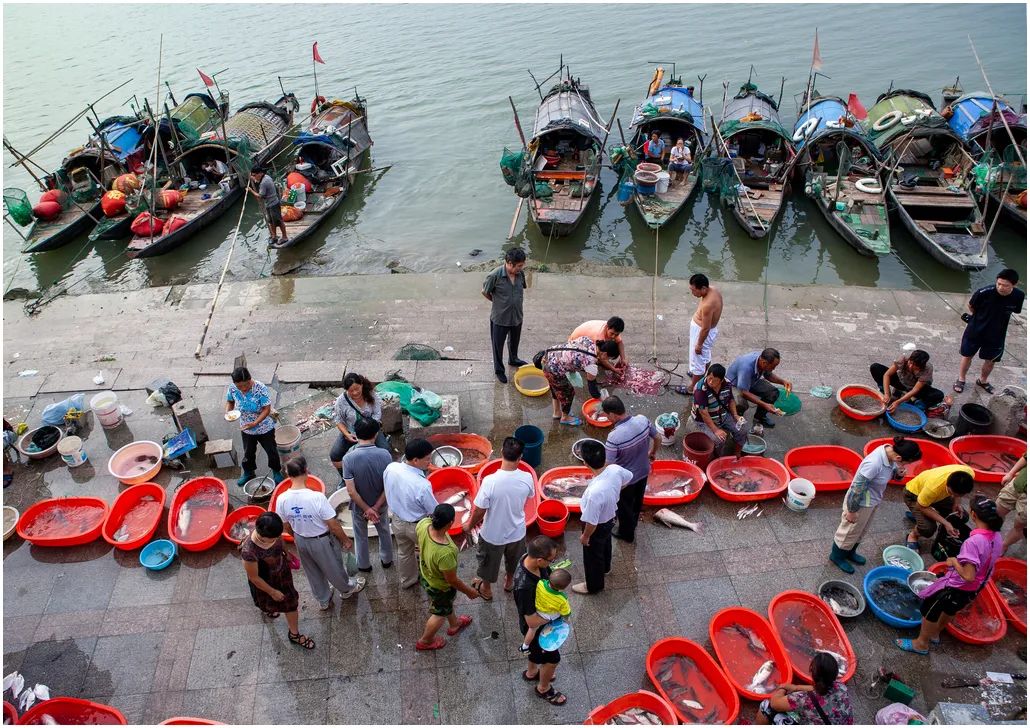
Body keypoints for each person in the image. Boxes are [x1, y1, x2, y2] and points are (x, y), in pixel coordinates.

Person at [898, 497, 1005, 655]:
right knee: (951, 609)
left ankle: (921, 644)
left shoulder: (974, 542)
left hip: (958, 586)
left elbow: (968, 575)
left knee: (930, 610)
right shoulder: (997, 536)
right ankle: (935, 633)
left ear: (973, 514)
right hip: (976, 587)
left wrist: (954, 561)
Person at [275, 455, 366, 610]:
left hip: (300, 540)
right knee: (333, 567)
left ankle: (323, 599)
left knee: (312, 571)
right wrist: (345, 540)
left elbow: (285, 525)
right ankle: (346, 589)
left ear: (288, 475)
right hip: (321, 540)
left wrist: (297, 536)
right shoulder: (316, 497)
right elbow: (333, 525)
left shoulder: (281, 499)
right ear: (306, 471)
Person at [831, 437, 922, 573]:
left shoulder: (890, 453)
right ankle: (837, 556)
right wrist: (852, 510)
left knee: (861, 530)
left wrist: (898, 474)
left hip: (873, 500)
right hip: (861, 503)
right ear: (898, 458)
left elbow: (888, 476)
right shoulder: (874, 463)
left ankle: (850, 552)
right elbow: (857, 488)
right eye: (907, 463)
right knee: (849, 531)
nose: (906, 465)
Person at [465, 437, 535, 601]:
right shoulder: (527, 477)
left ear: (502, 452)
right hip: (517, 532)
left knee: (488, 563)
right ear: (520, 457)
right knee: (514, 561)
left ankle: (486, 590)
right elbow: (528, 498)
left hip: (493, 535)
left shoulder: (489, 481)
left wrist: (469, 526)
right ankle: (509, 583)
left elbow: (480, 510)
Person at [240, 512, 312, 649]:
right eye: (272, 539)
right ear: (261, 535)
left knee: (291, 604)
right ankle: (274, 615)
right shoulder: (249, 552)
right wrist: (272, 592)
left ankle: (294, 633)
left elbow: (280, 540)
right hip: (265, 582)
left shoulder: (273, 531)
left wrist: (286, 553)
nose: (276, 539)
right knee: (269, 602)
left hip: (282, 574)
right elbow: (254, 578)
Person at [573, 440, 633, 595]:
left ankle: (593, 586)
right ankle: (606, 567)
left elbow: (592, 522)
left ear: (585, 463)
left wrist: (585, 537)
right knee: (605, 542)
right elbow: (628, 478)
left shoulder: (594, 493)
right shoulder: (614, 469)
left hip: (597, 526)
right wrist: (615, 490)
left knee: (592, 554)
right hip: (611, 518)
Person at [415, 503, 478, 650]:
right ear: (450, 523)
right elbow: (452, 580)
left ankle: (454, 624)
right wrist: (469, 591)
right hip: (440, 587)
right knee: (439, 613)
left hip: (426, 575)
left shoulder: (423, 524)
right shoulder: (446, 552)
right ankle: (425, 641)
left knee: (445, 605)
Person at [513, 536, 567, 706]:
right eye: (551, 560)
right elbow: (532, 622)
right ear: (539, 560)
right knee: (553, 659)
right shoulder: (524, 587)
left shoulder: (527, 558)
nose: (552, 563)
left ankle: (531, 672)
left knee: (534, 652)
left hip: (539, 619)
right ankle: (543, 688)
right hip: (537, 629)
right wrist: (553, 615)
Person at [955, 269, 1024, 394]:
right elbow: (971, 306)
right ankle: (961, 379)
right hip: (976, 330)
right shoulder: (984, 292)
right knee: (967, 355)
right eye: (999, 284)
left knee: (991, 360)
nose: (1001, 287)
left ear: (1014, 285)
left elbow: (1016, 310)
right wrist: (980, 318)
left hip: (997, 334)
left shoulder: (1019, 295)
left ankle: (983, 380)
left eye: (1005, 285)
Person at [602, 395, 660, 543]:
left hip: (626, 481)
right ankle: (633, 521)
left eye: (607, 415)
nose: (607, 418)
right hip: (644, 471)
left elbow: (609, 465)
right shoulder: (642, 420)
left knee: (625, 506)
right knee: (637, 501)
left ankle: (627, 534)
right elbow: (658, 437)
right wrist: (652, 452)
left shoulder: (614, 437)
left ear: (613, 414)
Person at [383, 438, 439, 588]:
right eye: (427, 459)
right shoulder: (422, 485)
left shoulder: (391, 468)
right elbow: (434, 510)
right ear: (415, 460)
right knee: (428, 552)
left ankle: (407, 580)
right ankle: (432, 579)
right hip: (418, 526)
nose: (430, 462)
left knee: (404, 552)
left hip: (397, 521)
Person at [342, 418, 395, 573]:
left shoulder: (348, 459)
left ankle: (364, 565)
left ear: (356, 434)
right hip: (381, 505)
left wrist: (367, 509)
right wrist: (376, 507)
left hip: (359, 507)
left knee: (360, 535)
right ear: (376, 434)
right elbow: (388, 485)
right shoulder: (385, 455)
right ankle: (387, 560)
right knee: (384, 531)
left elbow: (351, 491)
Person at [756, 652, 854, 725]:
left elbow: (775, 703)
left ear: (811, 671)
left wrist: (782, 687)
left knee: (766, 706)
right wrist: (796, 687)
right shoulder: (841, 687)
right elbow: (815, 690)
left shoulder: (803, 699)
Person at [540, 336, 620, 426]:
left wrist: (572, 367)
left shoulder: (587, 340)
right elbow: (593, 390)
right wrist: (601, 398)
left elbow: (573, 351)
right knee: (568, 393)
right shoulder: (591, 363)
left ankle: (557, 413)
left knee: (556, 388)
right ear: (605, 354)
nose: (607, 361)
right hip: (552, 369)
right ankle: (565, 418)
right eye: (609, 359)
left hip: (547, 357)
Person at [225, 366, 283, 487]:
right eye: (239, 386)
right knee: (248, 452)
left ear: (250, 379)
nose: (243, 389)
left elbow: (266, 409)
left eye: (245, 385)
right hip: (246, 427)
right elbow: (230, 401)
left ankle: (276, 471)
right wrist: (228, 412)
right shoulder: (233, 388)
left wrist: (255, 423)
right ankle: (248, 472)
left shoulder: (260, 388)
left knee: (271, 450)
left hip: (264, 427)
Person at [482, 247, 528, 384]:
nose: (521, 268)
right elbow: (485, 292)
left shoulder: (520, 274)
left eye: (522, 265)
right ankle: (499, 370)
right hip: (500, 318)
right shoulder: (494, 276)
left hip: (517, 316)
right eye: (519, 266)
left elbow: (522, 288)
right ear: (509, 263)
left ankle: (513, 359)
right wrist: (498, 303)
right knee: (498, 346)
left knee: (514, 341)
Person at [902, 464, 975, 550]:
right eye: (952, 493)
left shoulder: (968, 474)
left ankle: (920, 517)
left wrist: (956, 503)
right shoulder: (933, 487)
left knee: (962, 517)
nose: (954, 496)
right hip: (914, 495)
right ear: (947, 484)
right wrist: (945, 523)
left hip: (935, 496)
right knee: (928, 529)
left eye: (959, 495)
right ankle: (913, 535)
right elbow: (921, 506)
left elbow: (958, 492)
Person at [330, 372, 388, 476]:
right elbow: (339, 420)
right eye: (351, 391)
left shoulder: (371, 394)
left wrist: (371, 433)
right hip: (352, 432)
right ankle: (345, 476)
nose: (355, 393)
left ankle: (382, 475)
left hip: (371, 430)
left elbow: (377, 414)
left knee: (385, 450)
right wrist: (347, 434)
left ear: (361, 384)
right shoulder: (341, 401)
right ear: (346, 390)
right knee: (335, 455)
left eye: (357, 389)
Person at [725, 348, 792, 436]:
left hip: (751, 381)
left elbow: (768, 375)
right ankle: (734, 424)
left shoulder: (763, 359)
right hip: (734, 385)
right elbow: (743, 392)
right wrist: (764, 404)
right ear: (764, 363)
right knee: (742, 405)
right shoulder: (746, 367)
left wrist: (783, 382)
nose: (774, 369)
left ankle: (759, 419)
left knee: (772, 393)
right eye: (773, 366)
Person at [693, 364, 748, 457]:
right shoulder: (700, 389)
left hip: (723, 415)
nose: (711, 382)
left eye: (715, 380)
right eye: (709, 378)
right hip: (703, 421)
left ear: (721, 380)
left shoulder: (727, 384)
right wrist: (715, 430)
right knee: (719, 440)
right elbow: (703, 412)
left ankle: (737, 454)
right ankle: (718, 458)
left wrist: (735, 415)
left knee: (742, 430)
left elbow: (731, 400)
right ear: (707, 375)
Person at [870, 349, 945, 411]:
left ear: (922, 366)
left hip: (915, 388)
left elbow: (915, 389)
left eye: (915, 366)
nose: (910, 366)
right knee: (875, 367)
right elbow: (887, 375)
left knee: (939, 395)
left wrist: (898, 402)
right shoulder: (904, 359)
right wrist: (887, 394)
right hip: (901, 382)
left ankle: (918, 403)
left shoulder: (927, 369)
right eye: (910, 362)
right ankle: (883, 391)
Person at [519, 568, 572, 653]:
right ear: (564, 587)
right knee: (559, 614)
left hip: (537, 609)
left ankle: (524, 646)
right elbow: (566, 612)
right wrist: (567, 619)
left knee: (532, 629)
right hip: (547, 615)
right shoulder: (562, 599)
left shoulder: (540, 583)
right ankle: (550, 634)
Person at [687, 274, 722, 388]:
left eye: (694, 290)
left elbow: (705, 328)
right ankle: (701, 375)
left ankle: (693, 387)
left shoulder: (708, 305)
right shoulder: (713, 290)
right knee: (705, 356)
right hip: (706, 330)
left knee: (698, 359)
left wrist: (699, 344)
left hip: (702, 332)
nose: (693, 293)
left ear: (703, 288)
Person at [249, 167, 288, 247]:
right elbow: (257, 180)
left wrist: (251, 191)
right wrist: (252, 177)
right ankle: (274, 236)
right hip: (269, 204)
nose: (254, 177)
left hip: (273, 204)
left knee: (279, 221)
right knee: (271, 221)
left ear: (260, 173)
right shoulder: (265, 177)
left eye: (255, 175)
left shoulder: (264, 182)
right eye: (253, 175)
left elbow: (260, 196)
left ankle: (284, 237)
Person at [997, 454, 1027, 554]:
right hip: (1017, 484)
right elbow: (1026, 457)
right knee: (996, 512)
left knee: (1019, 525)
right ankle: (989, 536)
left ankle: (1004, 545)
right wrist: (1010, 473)